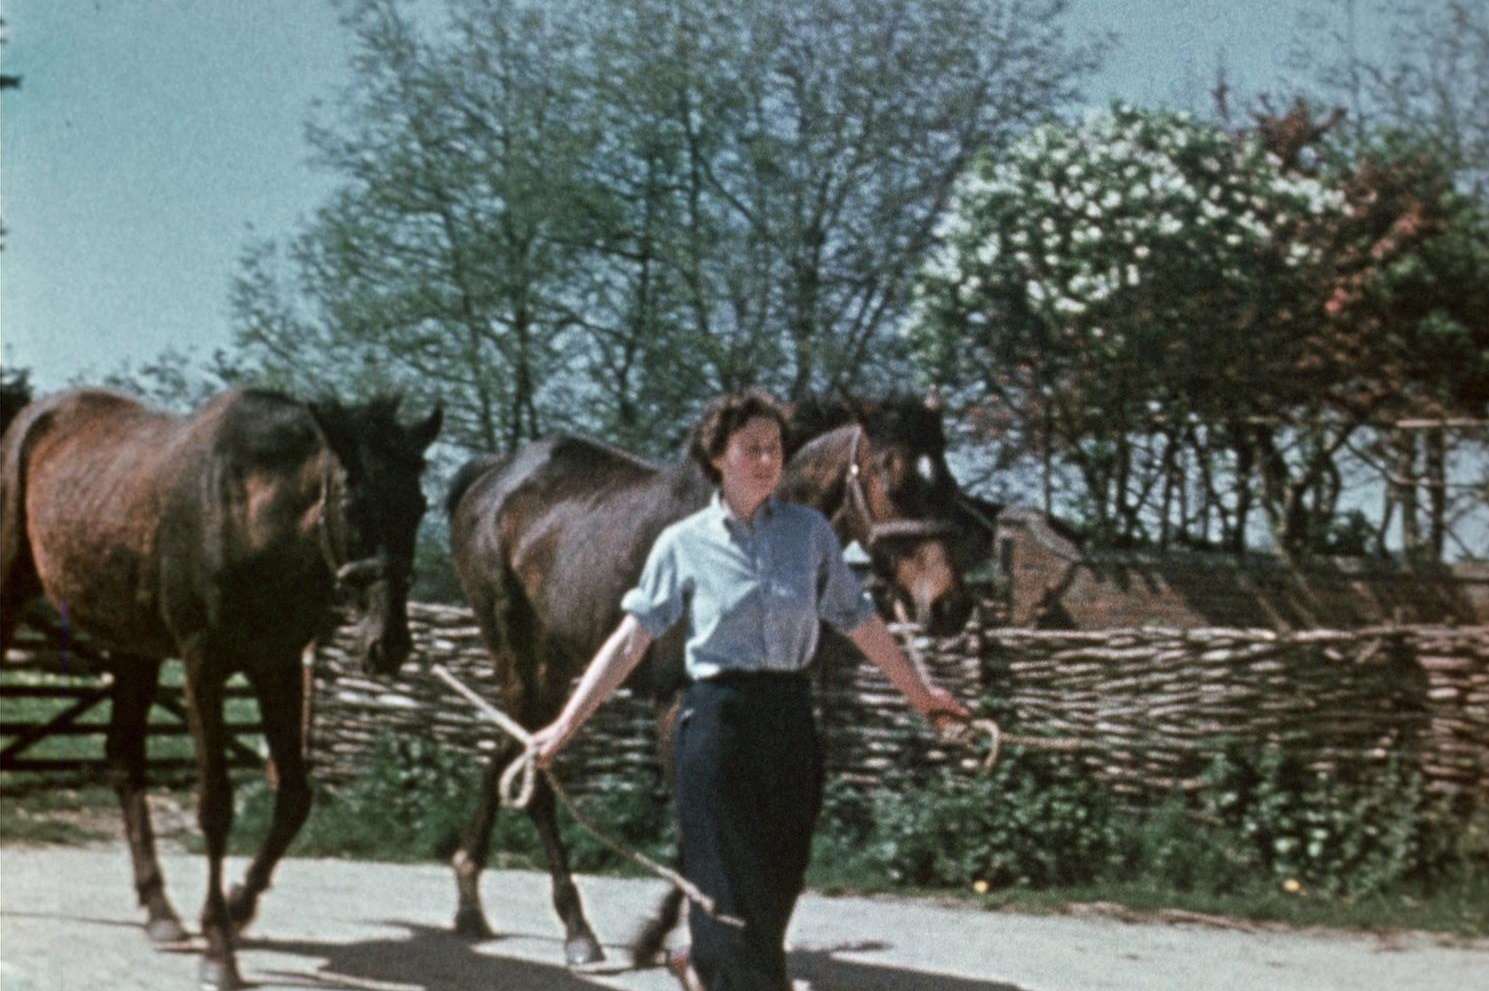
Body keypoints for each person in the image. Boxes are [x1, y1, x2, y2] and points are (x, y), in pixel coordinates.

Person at [530, 389, 970, 991]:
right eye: (752, 449)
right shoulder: (683, 543)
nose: (768, 461)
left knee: (772, 902)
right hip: (716, 727)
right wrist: (564, 726)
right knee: (728, 911)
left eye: (775, 449)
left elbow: (861, 622)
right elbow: (630, 641)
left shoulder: (811, 535)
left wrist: (924, 698)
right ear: (717, 459)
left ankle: (698, 966)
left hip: (790, 725)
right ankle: (716, 969)